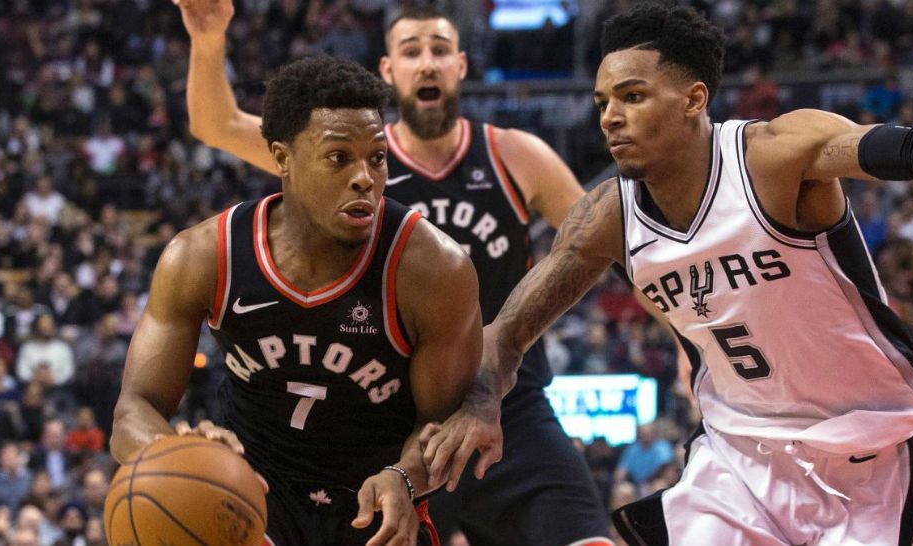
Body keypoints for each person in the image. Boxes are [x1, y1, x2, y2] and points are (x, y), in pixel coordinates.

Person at [427, 3, 913, 545]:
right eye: (603, 102)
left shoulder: (772, 158)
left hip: (867, 446)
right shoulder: (606, 219)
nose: (610, 116)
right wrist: (482, 403)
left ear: (694, 99)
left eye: (632, 96)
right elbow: (507, 335)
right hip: (738, 456)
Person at [174, 1, 614, 544]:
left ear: (461, 65)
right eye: (412, 51)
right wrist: (209, 37)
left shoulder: (516, 156)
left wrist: (689, 344)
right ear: (388, 70)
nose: (426, 63)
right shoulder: (339, 155)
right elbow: (216, 124)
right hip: (391, 422)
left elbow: (606, 241)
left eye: (438, 50)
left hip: (502, 400)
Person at [110, 55, 483, 546]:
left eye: (376, 157)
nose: (364, 178)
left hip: (375, 499)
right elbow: (132, 411)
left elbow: (441, 423)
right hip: (252, 494)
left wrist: (407, 476)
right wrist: (177, 452)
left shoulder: (433, 269)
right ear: (282, 158)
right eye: (338, 157)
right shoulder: (203, 257)